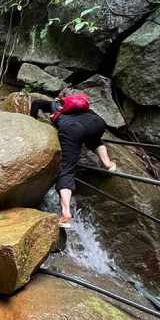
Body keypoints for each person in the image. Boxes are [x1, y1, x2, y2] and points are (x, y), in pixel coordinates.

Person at [30, 95, 117, 228]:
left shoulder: (54, 105)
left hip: (73, 129)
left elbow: (36, 103)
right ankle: (107, 163)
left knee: (66, 169)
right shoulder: (85, 108)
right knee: (95, 140)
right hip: (96, 123)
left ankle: (65, 214)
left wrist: (32, 121)